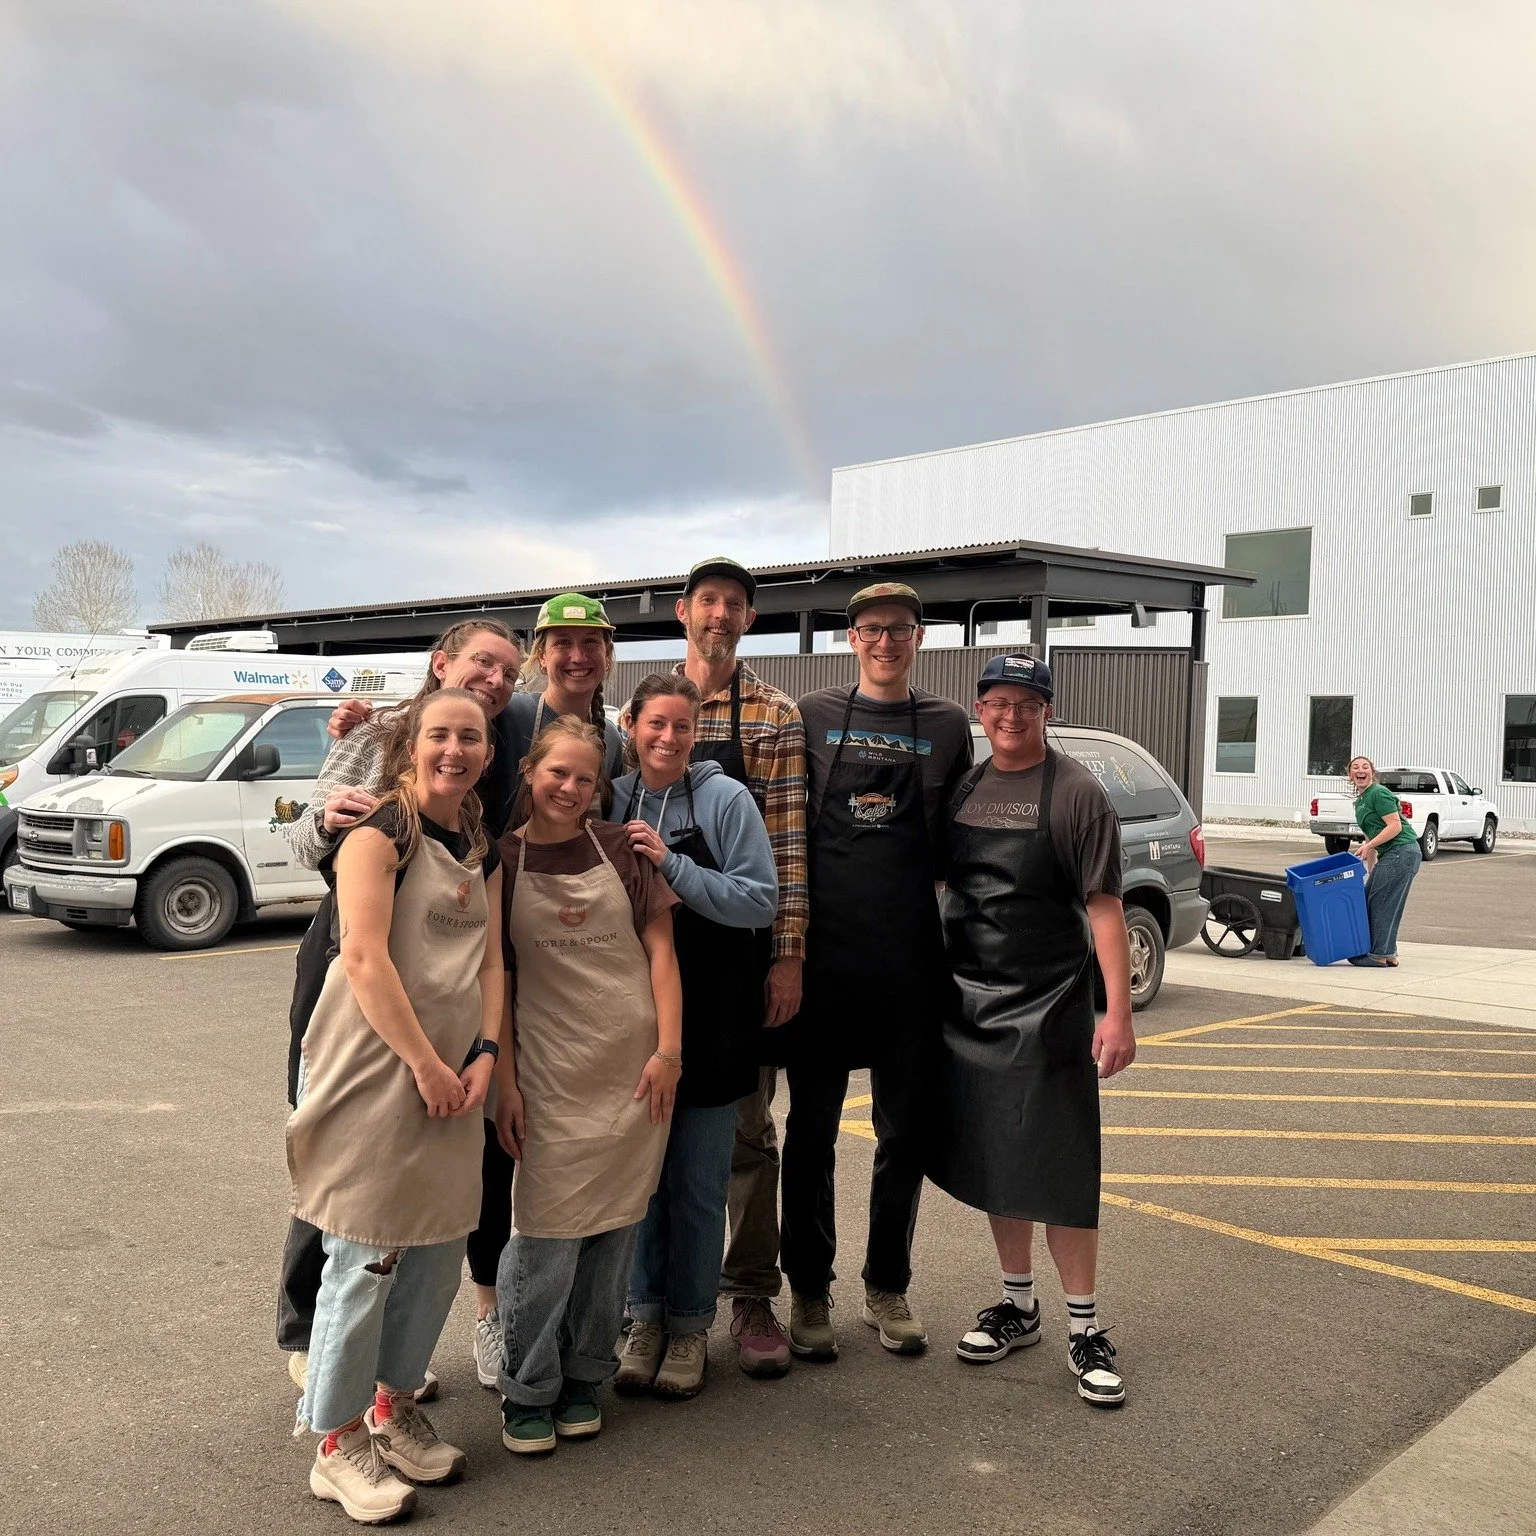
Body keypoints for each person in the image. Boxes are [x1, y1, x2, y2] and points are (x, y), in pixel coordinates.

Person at [278, 620, 522, 1399]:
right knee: (352, 1198)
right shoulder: (379, 774)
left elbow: (487, 951)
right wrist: (326, 819)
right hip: (361, 995)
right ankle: (320, 1371)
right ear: (441, 664)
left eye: (509, 674)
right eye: (484, 662)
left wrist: (482, 1054)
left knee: (424, 1224)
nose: (496, 679)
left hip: (448, 1026)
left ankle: (386, 1387)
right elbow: (316, 860)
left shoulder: (489, 799)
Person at [929, 653, 1136, 1409]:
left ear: (1047, 709)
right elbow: (946, 888)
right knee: (999, 1159)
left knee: (1060, 1168)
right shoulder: (969, 787)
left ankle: (1085, 1329)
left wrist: (1116, 1013)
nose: (1010, 717)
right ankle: (1020, 1307)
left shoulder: (1078, 795)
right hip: (969, 1007)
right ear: (979, 709)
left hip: (1050, 1007)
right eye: (997, 703)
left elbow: (1105, 909)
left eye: (1026, 703)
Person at [775, 582, 973, 1362]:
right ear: (850, 639)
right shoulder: (812, 715)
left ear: (919, 638)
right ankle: (810, 1290)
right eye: (869, 630)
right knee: (811, 1133)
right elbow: (781, 818)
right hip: (824, 961)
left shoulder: (949, 726)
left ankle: (888, 1285)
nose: (884, 642)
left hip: (909, 961)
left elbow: (967, 841)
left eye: (898, 629)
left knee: (904, 1135)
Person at [493, 716, 683, 1453]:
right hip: (549, 1072)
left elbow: (661, 956)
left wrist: (669, 1052)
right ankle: (527, 1388)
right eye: (557, 774)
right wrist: (504, 1083)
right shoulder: (499, 860)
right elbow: (495, 984)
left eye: (584, 778)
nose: (570, 789)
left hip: (632, 1071)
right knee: (544, 1245)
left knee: (612, 1240)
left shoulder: (622, 849)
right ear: (528, 775)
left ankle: (584, 1377)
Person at [608, 674, 778, 1398]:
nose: (668, 739)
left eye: (681, 726)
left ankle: (689, 1327)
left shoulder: (725, 799)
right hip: (630, 1019)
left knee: (701, 1185)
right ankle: (643, 1318)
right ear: (632, 727)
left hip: (714, 1018)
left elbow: (759, 899)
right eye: (655, 726)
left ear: (696, 729)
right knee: (643, 1183)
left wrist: (674, 867)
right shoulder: (610, 800)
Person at [671, 555, 807, 1378]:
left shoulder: (774, 712)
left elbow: (787, 848)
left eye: (734, 605)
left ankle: (751, 1291)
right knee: (654, 1129)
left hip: (744, 953)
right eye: (708, 602)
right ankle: (646, 1299)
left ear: (748, 619)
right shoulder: (643, 708)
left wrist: (787, 956)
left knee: (750, 1133)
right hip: (656, 954)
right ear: (685, 612)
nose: (719, 615)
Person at [506, 593, 626, 796]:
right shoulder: (510, 715)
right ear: (542, 655)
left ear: (607, 653)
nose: (578, 656)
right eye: (563, 643)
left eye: (590, 642)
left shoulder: (610, 738)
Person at [1344, 754, 1423, 967]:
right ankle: (1389, 954)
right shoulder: (1361, 801)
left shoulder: (1379, 793)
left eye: (1365, 767)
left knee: (1380, 902)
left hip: (1402, 850)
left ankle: (1378, 954)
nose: (1360, 770)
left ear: (1372, 772)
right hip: (1393, 854)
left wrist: (1369, 846)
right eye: (1355, 768)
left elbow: (1395, 825)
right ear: (1350, 775)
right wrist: (1371, 867)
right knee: (1377, 898)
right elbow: (1370, 836)